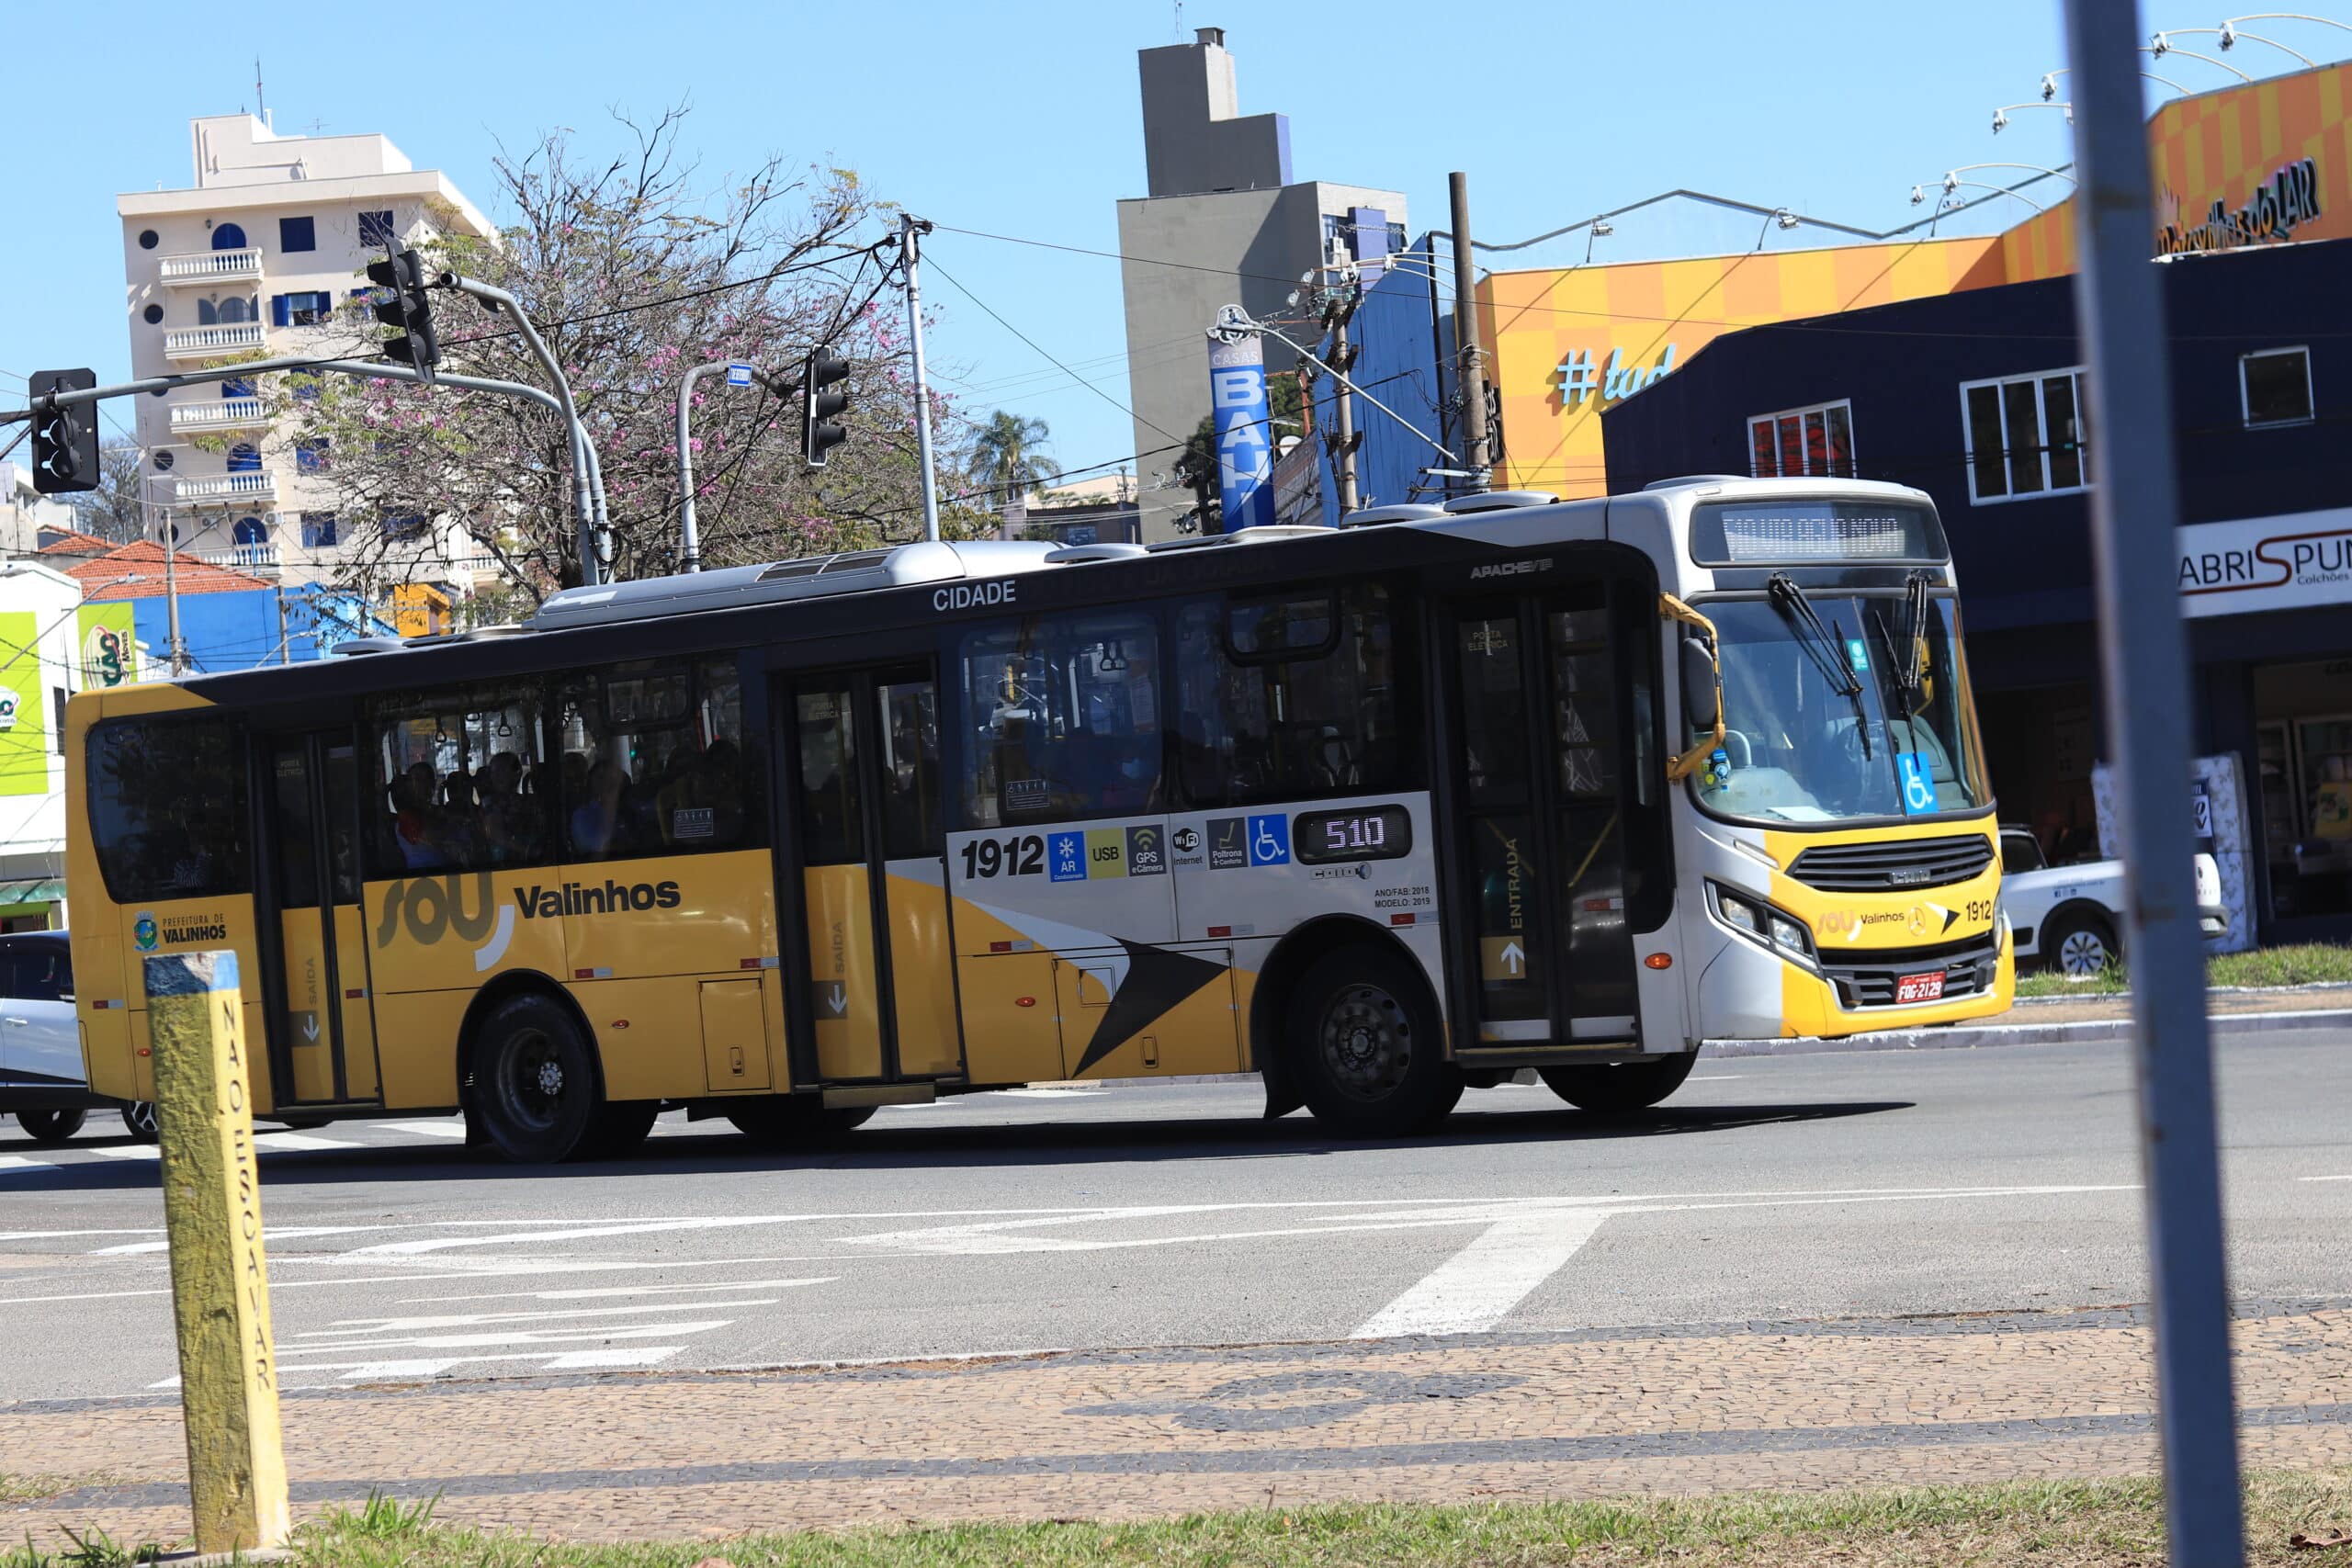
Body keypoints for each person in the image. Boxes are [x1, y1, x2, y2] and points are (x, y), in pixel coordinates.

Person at [570, 760, 628, 855]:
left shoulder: (629, 811)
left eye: (613, 782)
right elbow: (599, 849)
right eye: (601, 779)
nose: (606, 785)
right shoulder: (582, 816)